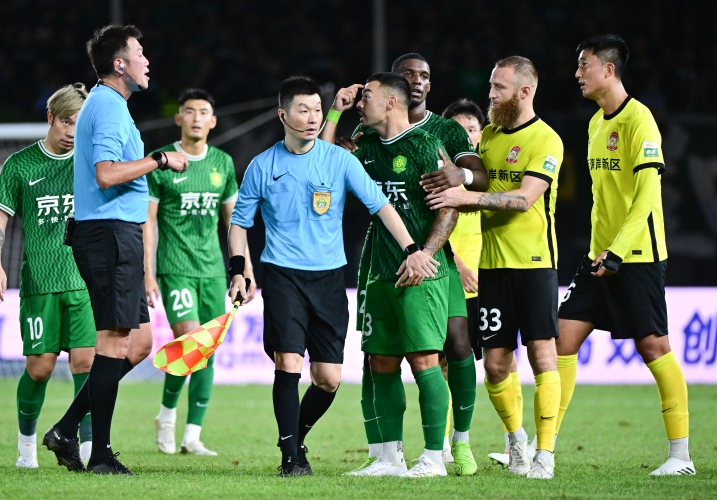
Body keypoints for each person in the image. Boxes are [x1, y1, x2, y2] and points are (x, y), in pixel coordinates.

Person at [226, 76, 437, 477]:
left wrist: (413, 249)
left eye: (317, 111)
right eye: (303, 110)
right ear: (283, 115)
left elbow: (381, 206)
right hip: (282, 275)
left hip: (328, 280)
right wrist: (238, 271)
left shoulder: (339, 161)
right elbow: (240, 223)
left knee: (327, 378)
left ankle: (296, 437)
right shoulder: (262, 165)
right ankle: (290, 458)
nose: (311, 118)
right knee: (288, 363)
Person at [321, 53, 487, 477]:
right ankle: (389, 458)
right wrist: (337, 111)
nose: (361, 103)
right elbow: (319, 163)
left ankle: (436, 455)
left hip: (422, 270)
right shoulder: (365, 145)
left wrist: (425, 253)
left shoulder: (428, 143)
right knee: (380, 361)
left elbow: (449, 206)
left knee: (427, 359)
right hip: (379, 268)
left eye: (367, 97)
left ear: (391, 102)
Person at [41, 24, 189, 475]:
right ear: (120, 64)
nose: (147, 60)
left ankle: (67, 427)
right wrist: (160, 159)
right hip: (108, 233)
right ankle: (101, 455)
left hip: (115, 233)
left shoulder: (111, 105)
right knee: (113, 341)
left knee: (138, 343)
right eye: (140, 53)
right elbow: (106, 174)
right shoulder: (106, 106)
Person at [556, 34, 694, 476]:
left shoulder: (640, 121)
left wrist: (617, 251)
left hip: (637, 255)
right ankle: (541, 450)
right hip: (599, 256)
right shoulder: (595, 124)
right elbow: (603, 199)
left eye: (584, 65)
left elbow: (647, 197)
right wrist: (600, 251)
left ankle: (681, 457)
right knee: (562, 340)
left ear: (609, 69)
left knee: (653, 347)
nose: (578, 74)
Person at [426, 56, 563, 479]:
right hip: (493, 267)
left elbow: (523, 199)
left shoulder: (546, 139)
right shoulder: (487, 138)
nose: (490, 95)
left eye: (499, 88)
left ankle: (545, 453)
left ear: (524, 92)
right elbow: (478, 184)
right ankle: (517, 441)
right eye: (490, 86)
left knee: (542, 355)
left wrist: (466, 197)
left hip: (535, 263)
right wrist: (457, 183)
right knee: (496, 365)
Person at [0, 83, 95, 469]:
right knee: (40, 368)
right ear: (50, 118)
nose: (71, 131)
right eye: (66, 122)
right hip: (41, 281)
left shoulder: (91, 162)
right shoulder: (20, 164)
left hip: (84, 280)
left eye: (79, 125)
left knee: (86, 364)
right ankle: (26, 448)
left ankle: (89, 448)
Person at [145, 88, 257, 457]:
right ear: (178, 118)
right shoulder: (162, 162)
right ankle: (166, 415)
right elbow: (148, 222)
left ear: (213, 121)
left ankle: (192, 436)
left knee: (206, 350)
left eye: (203, 112)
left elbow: (234, 222)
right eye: (189, 111)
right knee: (192, 342)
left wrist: (245, 268)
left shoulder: (222, 163)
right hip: (174, 268)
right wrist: (148, 272)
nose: (196, 118)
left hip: (212, 270)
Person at [443, 99, 525, 466]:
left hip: (491, 279)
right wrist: (458, 265)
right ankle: (445, 444)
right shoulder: (438, 174)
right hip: (451, 280)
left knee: (504, 363)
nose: (465, 135)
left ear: (481, 134)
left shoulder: (491, 173)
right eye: (457, 129)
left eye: (472, 129)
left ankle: (513, 443)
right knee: (447, 363)